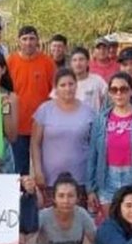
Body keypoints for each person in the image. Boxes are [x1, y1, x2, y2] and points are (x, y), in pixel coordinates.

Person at [86, 73, 132, 215]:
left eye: (124, 89)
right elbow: (92, 155)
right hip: (107, 178)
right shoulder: (101, 119)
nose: (119, 93)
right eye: (114, 90)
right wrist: (90, 188)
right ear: (109, 93)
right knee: (111, 225)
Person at [31, 68, 95, 202]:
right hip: (49, 179)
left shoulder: (88, 112)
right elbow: (35, 143)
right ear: (55, 88)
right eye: (63, 85)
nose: (67, 88)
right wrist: (37, 170)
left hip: (79, 179)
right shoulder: (44, 110)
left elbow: (94, 146)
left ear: (76, 85)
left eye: (71, 84)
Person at [7, 25, 56, 175]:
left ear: (38, 41)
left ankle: (44, 198)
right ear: (18, 41)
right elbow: (5, 94)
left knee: (44, 169)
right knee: (20, 171)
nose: (28, 42)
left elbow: (55, 93)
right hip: (18, 126)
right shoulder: (10, 62)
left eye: (32, 39)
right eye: (25, 39)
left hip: (42, 126)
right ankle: (23, 198)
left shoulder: (47, 63)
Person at [67, 46, 107, 111]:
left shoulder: (97, 80)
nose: (78, 63)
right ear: (71, 63)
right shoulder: (65, 82)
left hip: (93, 120)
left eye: (81, 59)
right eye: (74, 60)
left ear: (88, 62)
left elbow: (110, 97)